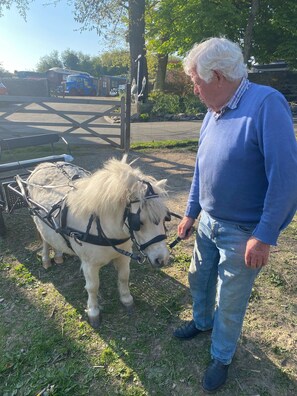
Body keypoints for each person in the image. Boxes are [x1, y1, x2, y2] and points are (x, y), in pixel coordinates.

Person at [173, 37, 297, 393]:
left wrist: (265, 234)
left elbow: (287, 178)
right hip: (208, 223)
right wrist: (191, 211)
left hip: (243, 231)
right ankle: (201, 321)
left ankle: (221, 356)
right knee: (198, 277)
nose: (195, 89)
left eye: (197, 82)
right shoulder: (214, 112)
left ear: (217, 77)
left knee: (230, 300)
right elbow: (201, 167)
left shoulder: (266, 104)